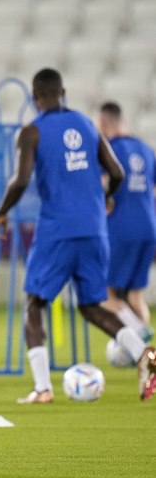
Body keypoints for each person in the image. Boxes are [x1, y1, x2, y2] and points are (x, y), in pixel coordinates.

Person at [0, 68, 156, 403]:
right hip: (95, 230)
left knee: (35, 303)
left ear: (35, 97)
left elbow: (20, 180)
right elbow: (117, 172)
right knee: (92, 304)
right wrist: (108, 197)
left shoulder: (32, 132)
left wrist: (2, 211)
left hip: (58, 231)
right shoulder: (87, 125)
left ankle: (42, 388)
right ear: (63, 92)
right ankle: (145, 355)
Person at [98, 101, 154, 341]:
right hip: (149, 227)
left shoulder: (109, 149)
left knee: (104, 293)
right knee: (135, 296)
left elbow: (102, 184)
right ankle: (147, 360)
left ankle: (139, 336)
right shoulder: (146, 149)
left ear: (103, 123)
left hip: (121, 227)